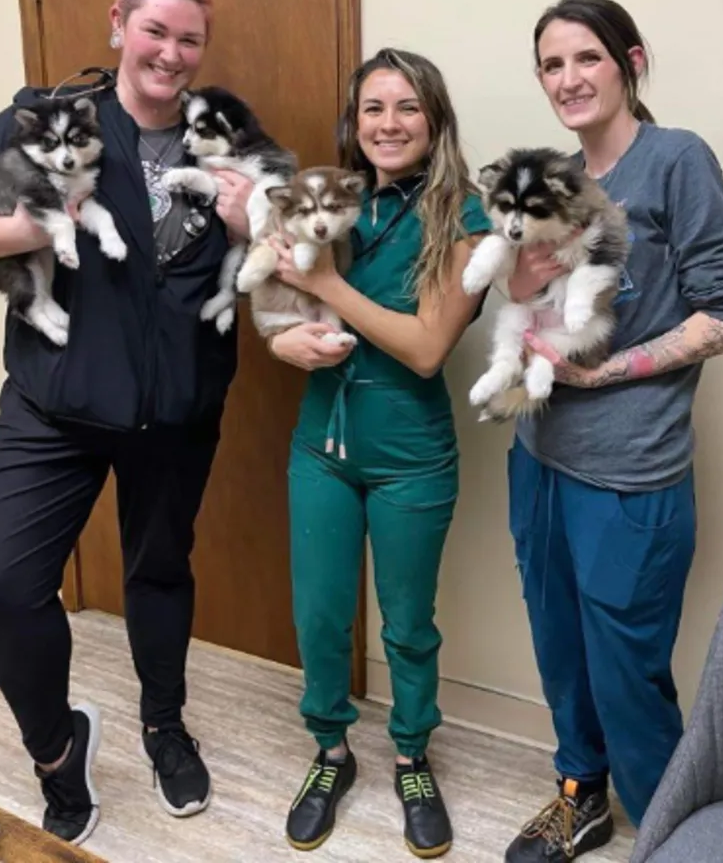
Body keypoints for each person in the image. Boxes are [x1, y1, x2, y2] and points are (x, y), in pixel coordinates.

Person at [0, 0, 254, 845]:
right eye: (155, 31)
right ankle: (57, 750)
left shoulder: (226, 129)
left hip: (176, 411)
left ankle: (165, 727)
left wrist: (259, 220)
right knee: (4, 583)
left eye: (189, 39)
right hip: (55, 404)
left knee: (160, 574)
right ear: (119, 24)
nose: (170, 54)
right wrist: (47, 222)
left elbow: (276, 250)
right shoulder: (51, 116)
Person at [500, 0, 723, 863]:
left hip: (630, 471)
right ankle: (580, 796)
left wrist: (604, 372)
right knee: (558, 641)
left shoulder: (677, 161)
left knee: (627, 672)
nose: (568, 79)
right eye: (552, 64)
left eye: (587, 58)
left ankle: (668, 832)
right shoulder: (560, 180)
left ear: (630, 61)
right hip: (538, 454)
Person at [264, 48, 493, 858]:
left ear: (434, 120)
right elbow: (272, 288)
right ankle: (330, 750)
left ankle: (410, 754)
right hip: (321, 446)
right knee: (320, 615)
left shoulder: (467, 217)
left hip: (411, 457)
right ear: (353, 121)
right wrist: (283, 339)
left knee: (407, 626)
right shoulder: (330, 196)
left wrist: (326, 288)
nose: (387, 125)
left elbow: (428, 347)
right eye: (372, 109)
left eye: (406, 108)